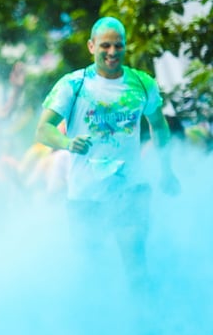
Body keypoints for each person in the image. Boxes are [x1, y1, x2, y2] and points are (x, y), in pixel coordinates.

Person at [34, 16, 180, 292]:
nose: (112, 52)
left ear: (125, 47)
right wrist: (67, 143)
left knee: (136, 267)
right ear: (91, 46)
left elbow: (159, 127)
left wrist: (167, 171)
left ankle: (147, 329)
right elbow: (43, 130)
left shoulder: (141, 83)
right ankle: (99, 328)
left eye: (118, 46)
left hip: (130, 190)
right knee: (92, 272)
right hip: (86, 197)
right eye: (105, 46)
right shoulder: (73, 85)